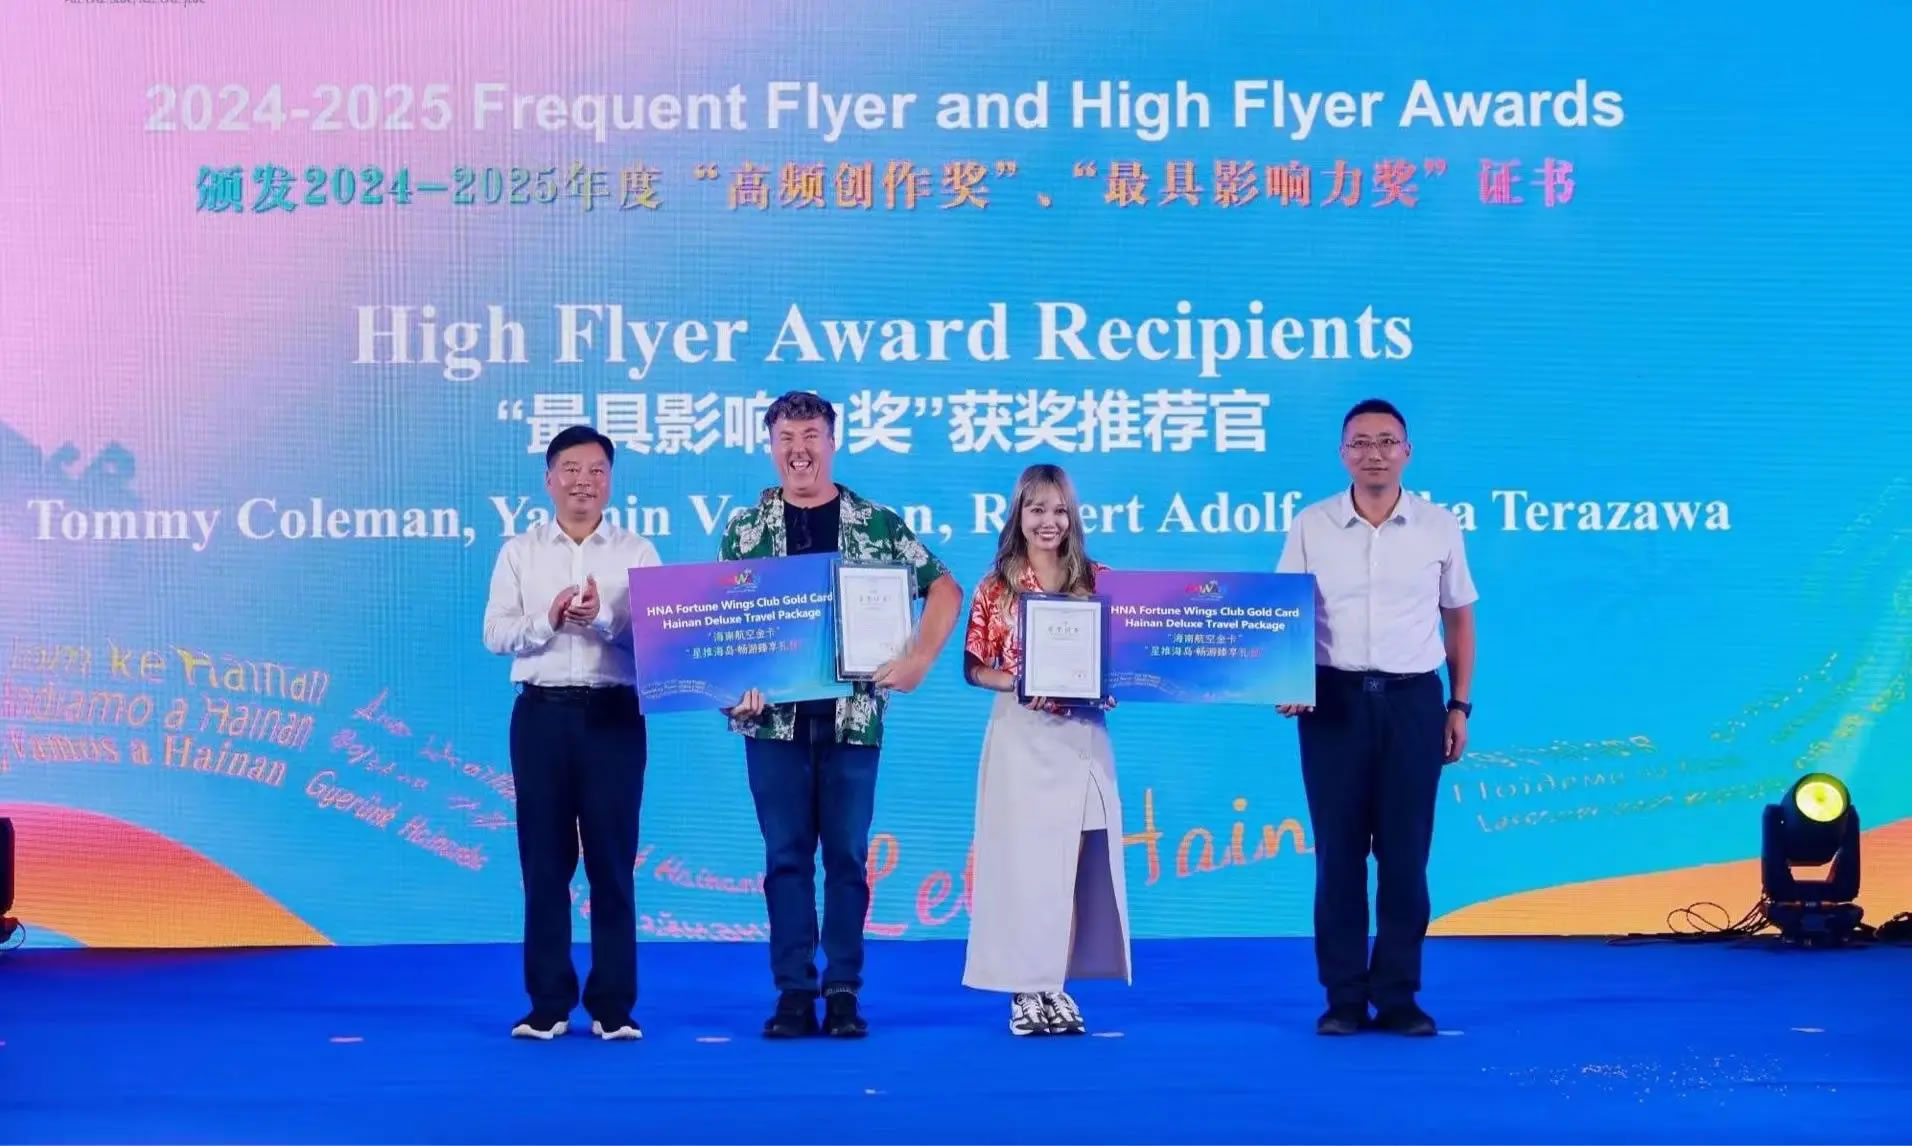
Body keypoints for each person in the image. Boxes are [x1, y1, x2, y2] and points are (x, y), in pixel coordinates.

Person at [719, 390, 963, 1039]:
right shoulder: (746, 530)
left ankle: (845, 989)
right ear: (771, 447)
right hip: (772, 723)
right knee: (785, 858)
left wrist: (918, 658)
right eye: (786, 438)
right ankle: (794, 992)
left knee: (848, 859)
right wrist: (730, 687)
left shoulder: (875, 524)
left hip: (853, 720)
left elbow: (944, 586)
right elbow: (721, 626)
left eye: (811, 436)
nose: (798, 450)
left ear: (832, 442)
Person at [1276, 398, 1477, 1037]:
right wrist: (1285, 678)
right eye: (1361, 442)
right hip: (1331, 702)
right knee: (1338, 856)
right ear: (1343, 454)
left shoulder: (1439, 526)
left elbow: (1458, 617)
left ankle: (1398, 997)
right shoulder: (1311, 524)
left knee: (1405, 856)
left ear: (1407, 452)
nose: (1374, 454)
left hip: (1414, 703)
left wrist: (1458, 703)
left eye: (1387, 442)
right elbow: (1283, 611)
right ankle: (1342, 998)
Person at [481, 424, 660, 1041]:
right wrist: (548, 619)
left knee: (612, 864)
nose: (584, 482)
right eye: (572, 470)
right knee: (544, 863)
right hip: (541, 717)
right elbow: (495, 633)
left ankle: (613, 1006)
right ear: (549, 479)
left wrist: (605, 618)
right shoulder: (520, 551)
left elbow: (657, 641)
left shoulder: (637, 551)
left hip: (615, 717)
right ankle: (548, 1004)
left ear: (610, 482)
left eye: (596, 472)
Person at [959, 463, 1130, 1036]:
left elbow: (1126, 659)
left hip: (1082, 737)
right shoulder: (996, 587)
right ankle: (1023, 989)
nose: (1048, 521)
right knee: (1024, 865)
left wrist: (1114, 682)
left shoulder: (1101, 581)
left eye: (1059, 510)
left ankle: (1054, 984)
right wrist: (1017, 680)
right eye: (1036, 509)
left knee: (1073, 866)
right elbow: (973, 667)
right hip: (1022, 736)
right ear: (1019, 515)